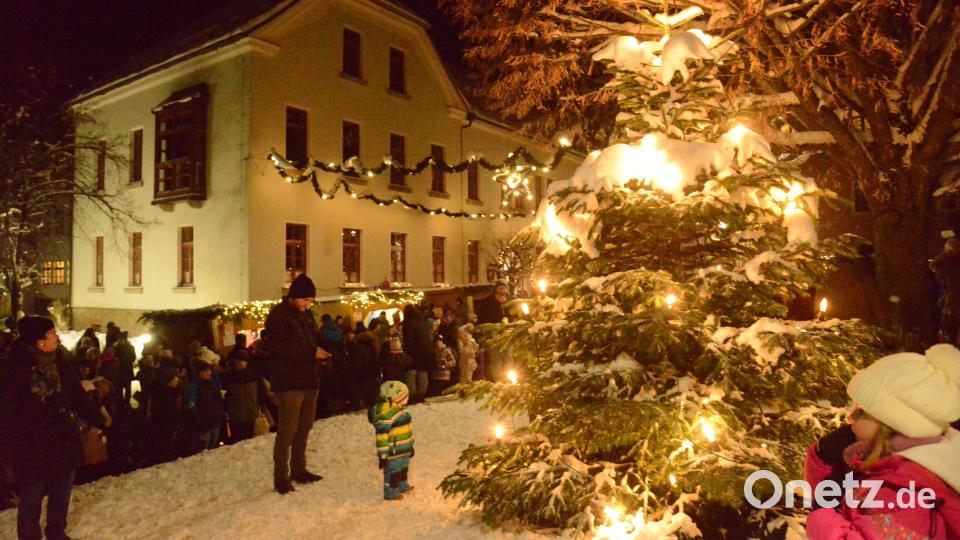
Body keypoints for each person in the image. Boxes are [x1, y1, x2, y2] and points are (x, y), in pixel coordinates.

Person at [804, 344, 960, 539]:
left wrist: (823, 520)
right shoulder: (887, 469)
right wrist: (825, 461)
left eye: (861, 412)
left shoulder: (902, 493)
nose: (851, 417)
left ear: (890, 424)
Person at [1, 316, 92, 540]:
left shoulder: (61, 360)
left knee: (62, 490)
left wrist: (97, 417)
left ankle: (56, 532)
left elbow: (76, 395)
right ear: (39, 341)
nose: (56, 337)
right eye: (51, 333)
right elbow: (8, 410)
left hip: (63, 438)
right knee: (33, 493)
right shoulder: (15, 368)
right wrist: (9, 446)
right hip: (32, 443)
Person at [263, 273, 330, 494]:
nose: (307, 304)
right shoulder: (279, 317)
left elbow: (313, 339)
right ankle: (281, 478)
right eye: (304, 300)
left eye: (310, 301)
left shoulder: (307, 315)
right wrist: (312, 352)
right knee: (287, 430)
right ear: (293, 297)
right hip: (289, 382)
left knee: (305, 427)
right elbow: (280, 349)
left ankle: (299, 469)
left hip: (309, 379)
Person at [367, 380, 414, 501]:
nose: (408, 397)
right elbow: (381, 437)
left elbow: (407, 431)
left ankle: (403, 486)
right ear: (395, 398)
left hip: (403, 450)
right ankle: (391, 492)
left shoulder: (402, 412)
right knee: (393, 472)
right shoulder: (387, 416)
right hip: (392, 452)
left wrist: (410, 446)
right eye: (405, 395)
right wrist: (383, 455)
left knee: (404, 468)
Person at [222, 336, 265, 442]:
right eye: (238, 361)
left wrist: (261, 405)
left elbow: (260, 391)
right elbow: (225, 393)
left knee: (250, 437)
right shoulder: (229, 377)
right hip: (235, 414)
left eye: (243, 361)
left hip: (251, 412)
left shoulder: (254, 375)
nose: (241, 363)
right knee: (237, 438)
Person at [475, 281, 511, 380]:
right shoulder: (488, 302)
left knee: (508, 357)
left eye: (504, 288)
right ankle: (498, 380)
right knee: (496, 359)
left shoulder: (510, 301)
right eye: (500, 288)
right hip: (493, 335)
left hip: (508, 335)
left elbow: (514, 315)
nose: (502, 290)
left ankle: (509, 378)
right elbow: (483, 320)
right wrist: (491, 333)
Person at [185, 361, 224, 451]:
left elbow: (217, 400)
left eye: (209, 370)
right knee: (204, 447)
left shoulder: (212, 383)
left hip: (215, 418)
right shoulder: (194, 386)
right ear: (199, 373)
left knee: (213, 446)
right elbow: (191, 405)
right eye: (205, 371)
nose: (209, 373)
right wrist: (196, 420)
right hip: (203, 422)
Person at [401, 305, 436, 404]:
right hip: (426, 350)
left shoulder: (408, 323)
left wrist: (406, 350)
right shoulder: (423, 321)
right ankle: (421, 395)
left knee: (411, 373)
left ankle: (412, 396)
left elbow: (409, 339)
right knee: (423, 372)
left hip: (414, 351)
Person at [931, 231, 960, 344]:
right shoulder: (946, 261)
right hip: (952, 296)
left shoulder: (943, 262)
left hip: (950, 297)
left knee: (948, 325)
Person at [115, 331, 136, 405]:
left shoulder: (116, 347)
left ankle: (123, 401)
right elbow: (133, 358)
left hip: (121, 369)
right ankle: (126, 401)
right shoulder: (130, 347)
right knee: (126, 387)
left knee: (122, 387)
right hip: (126, 369)